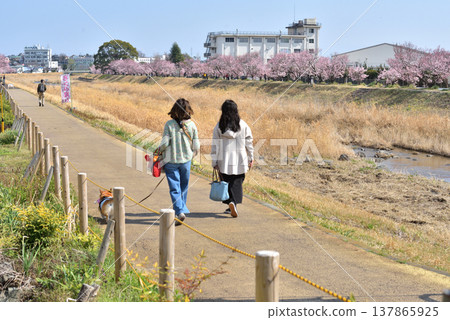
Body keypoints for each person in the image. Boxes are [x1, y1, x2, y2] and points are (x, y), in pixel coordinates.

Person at [156, 98, 200, 225]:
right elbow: (196, 145)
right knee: (184, 186)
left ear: (174, 110)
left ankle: (179, 211)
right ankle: (182, 210)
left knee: (174, 187)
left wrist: (158, 150)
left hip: (171, 161)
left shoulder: (169, 125)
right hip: (186, 160)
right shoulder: (192, 125)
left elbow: (164, 143)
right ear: (188, 110)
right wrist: (193, 154)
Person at [212, 100, 254, 218]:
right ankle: (233, 203)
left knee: (226, 181)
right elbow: (249, 142)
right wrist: (251, 157)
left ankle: (230, 202)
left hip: (223, 159)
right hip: (240, 158)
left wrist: (214, 161)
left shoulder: (219, 126)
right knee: (237, 181)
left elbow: (215, 145)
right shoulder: (243, 125)